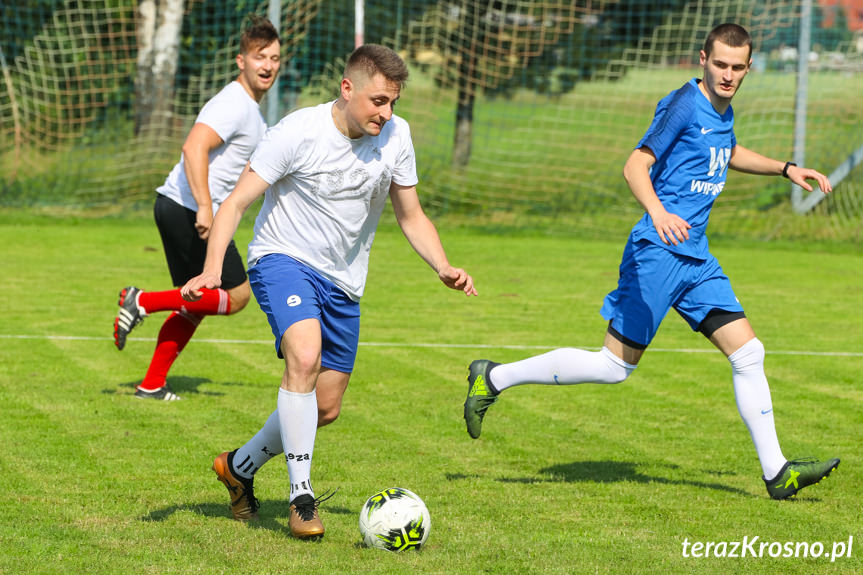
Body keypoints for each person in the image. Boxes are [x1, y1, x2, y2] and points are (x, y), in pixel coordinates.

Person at [463, 23, 839, 500]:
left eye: (737, 67)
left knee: (748, 353)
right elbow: (635, 164)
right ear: (702, 58)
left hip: (696, 258)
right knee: (613, 367)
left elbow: (726, 150)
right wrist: (658, 213)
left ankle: (777, 473)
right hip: (658, 253)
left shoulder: (722, 109)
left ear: (749, 68)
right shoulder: (684, 103)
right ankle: (494, 377)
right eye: (720, 64)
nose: (727, 74)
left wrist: (785, 168)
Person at [180, 44, 477, 539]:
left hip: (344, 281)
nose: (386, 113)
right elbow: (234, 205)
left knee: (325, 407)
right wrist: (214, 269)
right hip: (283, 259)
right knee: (304, 354)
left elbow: (411, 214)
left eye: (392, 103)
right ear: (347, 89)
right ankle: (301, 497)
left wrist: (441, 264)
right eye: (378, 101)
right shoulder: (298, 131)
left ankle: (239, 467)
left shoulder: (397, 137)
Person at [113, 15, 281, 401]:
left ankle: (152, 384)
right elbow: (193, 147)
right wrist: (205, 206)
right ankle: (142, 301)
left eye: (274, 57)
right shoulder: (234, 103)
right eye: (260, 57)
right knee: (236, 295)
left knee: (194, 300)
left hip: (179, 206)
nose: (268, 65)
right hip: (189, 208)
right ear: (242, 60)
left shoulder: (250, 111)